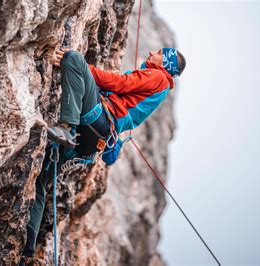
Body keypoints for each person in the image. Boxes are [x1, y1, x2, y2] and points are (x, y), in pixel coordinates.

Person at [20, 47, 186, 263]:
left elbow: (120, 84)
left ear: (167, 63)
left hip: (98, 119)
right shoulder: (158, 90)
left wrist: (84, 70)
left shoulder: (157, 76)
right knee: (41, 179)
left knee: (73, 58)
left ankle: (67, 128)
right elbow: (125, 117)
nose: (153, 52)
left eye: (161, 53)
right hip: (95, 140)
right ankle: (27, 248)